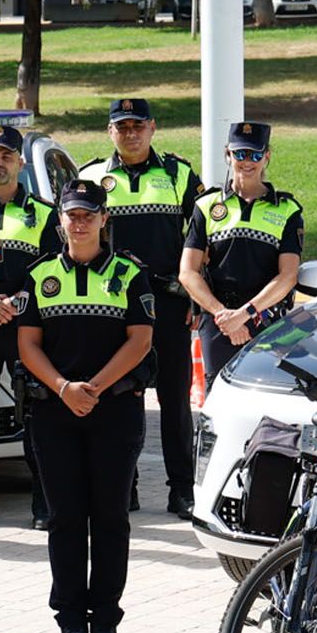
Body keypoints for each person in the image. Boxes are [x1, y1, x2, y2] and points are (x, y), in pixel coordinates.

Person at [17, 183, 156, 633]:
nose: (79, 223)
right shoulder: (39, 275)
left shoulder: (129, 274)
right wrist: (64, 389)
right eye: (72, 215)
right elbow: (27, 344)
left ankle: (106, 619)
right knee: (66, 518)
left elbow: (140, 340)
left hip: (113, 411)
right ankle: (71, 620)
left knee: (111, 518)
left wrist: (92, 388)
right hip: (54, 413)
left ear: (103, 220)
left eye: (88, 215)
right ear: (60, 220)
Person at [77, 98, 206, 516]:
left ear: (152, 128)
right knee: (118, 398)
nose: (130, 134)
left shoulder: (178, 174)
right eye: (122, 127)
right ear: (110, 131)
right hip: (112, 307)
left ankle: (181, 490)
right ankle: (124, 487)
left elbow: (204, 236)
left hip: (168, 302)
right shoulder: (91, 176)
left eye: (137, 126)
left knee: (174, 402)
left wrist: (196, 295)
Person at [180, 121, 304, 394]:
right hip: (219, 320)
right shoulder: (207, 205)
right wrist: (224, 315)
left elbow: (288, 276)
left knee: (266, 396)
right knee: (218, 397)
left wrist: (246, 314)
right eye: (240, 154)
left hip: (266, 319)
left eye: (255, 154)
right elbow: (187, 272)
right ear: (228, 154)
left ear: (267, 156)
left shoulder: (287, 210)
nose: (247, 161)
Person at [0, 123, 54, 529]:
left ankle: (43, 504)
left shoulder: (43, 213)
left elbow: (52, 272)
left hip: (27, 329)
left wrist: (14, 303)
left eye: (6, 156)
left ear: (20, 163)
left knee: (36, 416)